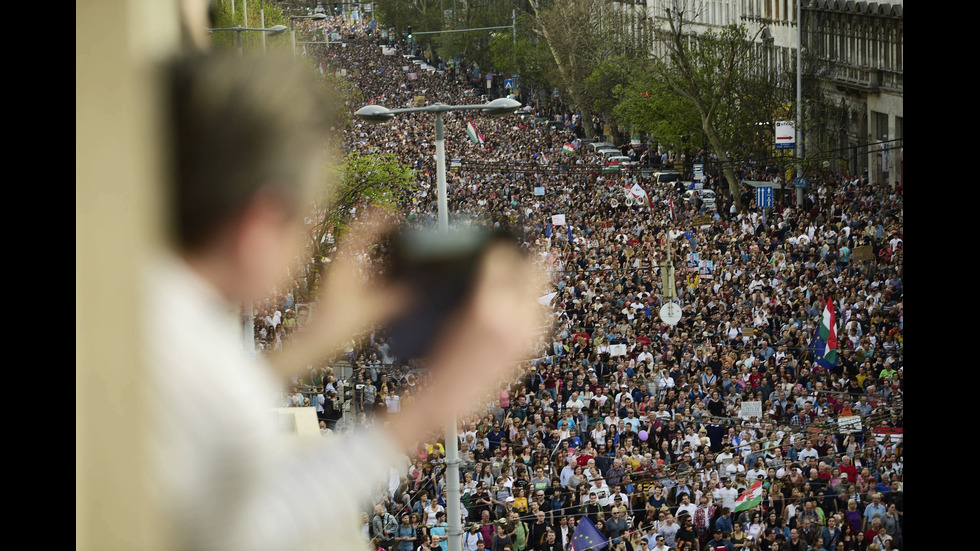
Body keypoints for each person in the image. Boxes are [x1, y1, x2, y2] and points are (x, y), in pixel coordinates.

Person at [146, 53, 546, 551]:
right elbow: (260, 529)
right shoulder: (187, 354)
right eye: (303, 221)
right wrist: (437, 401)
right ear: (258, 223)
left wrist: (310, 345)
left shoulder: (149, 311)